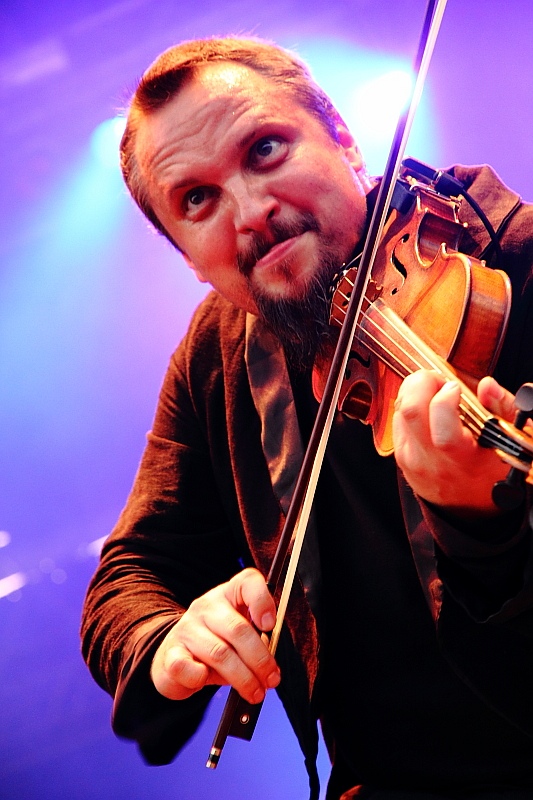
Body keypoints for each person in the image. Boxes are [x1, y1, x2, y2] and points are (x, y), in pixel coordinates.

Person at [81, 36, 533, 800]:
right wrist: (167, 643)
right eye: (197, 200)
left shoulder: (512, 262)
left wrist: (484, 531)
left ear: (345, 141)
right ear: (188, 257)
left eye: (265, 149)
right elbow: (128, 576)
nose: (251, 213)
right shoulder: (218, 352)